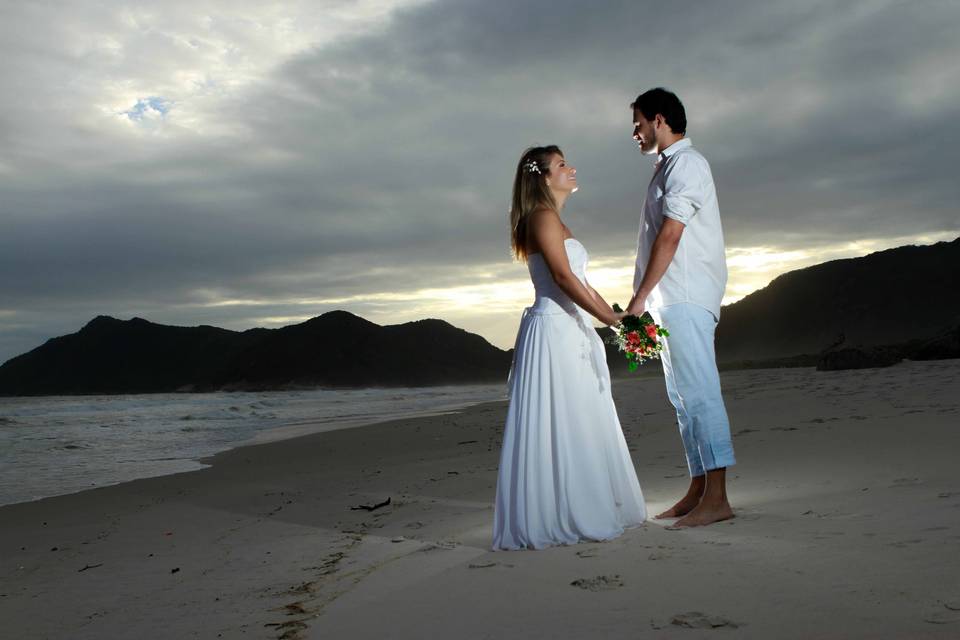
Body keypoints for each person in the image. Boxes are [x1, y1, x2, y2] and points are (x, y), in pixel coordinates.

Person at [492, 145, 646, 550]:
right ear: (543, 177)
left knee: (580, 414)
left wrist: (618, 318)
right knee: (564, 415)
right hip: (553, 330)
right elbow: (562, 277)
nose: (571, 168)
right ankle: (562, 510)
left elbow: (581, 281)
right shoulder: (541, 217)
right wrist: (611, 320)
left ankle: (584, 499)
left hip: (571, 327)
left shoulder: (556, 222)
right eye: (562, 165)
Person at [626, 88, 736, 527]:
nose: (634, 133)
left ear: (658, 119)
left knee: (700, 391)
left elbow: (671, 235)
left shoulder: (688, 163)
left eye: (637, 124)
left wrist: (636, 302)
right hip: (668, 299)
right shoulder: (666, 167)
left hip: (687, 293)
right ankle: (698, 489)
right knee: (682, 396)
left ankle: (719, 498)